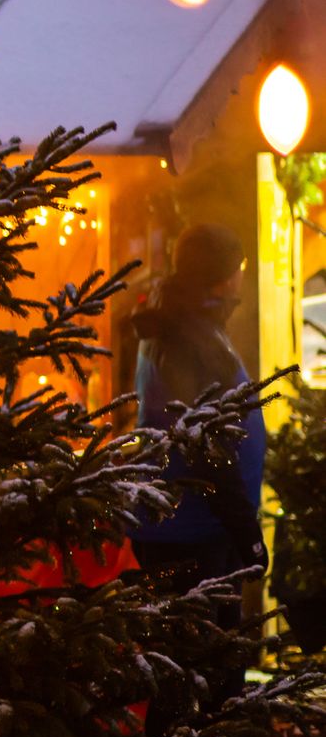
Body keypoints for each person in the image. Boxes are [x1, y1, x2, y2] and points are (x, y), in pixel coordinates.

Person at [129, 223, 268, 688]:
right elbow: (206, 445)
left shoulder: (184, 323)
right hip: (194, 533)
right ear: (223, 277)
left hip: (195, 527)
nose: (242, 275)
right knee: (200, 676)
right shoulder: (189, 336)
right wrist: (246, 532)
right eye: (239, 266)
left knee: (198, 669)